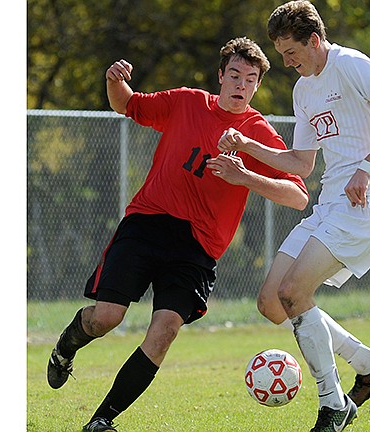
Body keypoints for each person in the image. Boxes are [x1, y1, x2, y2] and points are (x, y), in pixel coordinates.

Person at [46, 37, 309, 432]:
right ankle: (66, 346)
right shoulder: (187, 102)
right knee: (106, 318)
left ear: (257, 86)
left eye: (250, 79)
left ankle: (102, 420)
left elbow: (298, 196)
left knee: (164, 331)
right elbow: (127, 104)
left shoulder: (257, 133)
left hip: (197, 249)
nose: (241, 84)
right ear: (221, 76)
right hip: (148, 224)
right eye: (234, 75)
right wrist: (115, 80)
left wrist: (245, 176)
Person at [217, 2, 370, 431]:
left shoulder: (352, 65)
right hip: (331, 203)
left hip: (367, 201)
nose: (287, 63)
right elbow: (302, 163)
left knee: (293, 293)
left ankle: (333, 403)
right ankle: (369, 362)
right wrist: (248, 151)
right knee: (273, 302)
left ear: (314, 40)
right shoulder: (303, 90)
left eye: (291, 53)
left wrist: (366, 169)